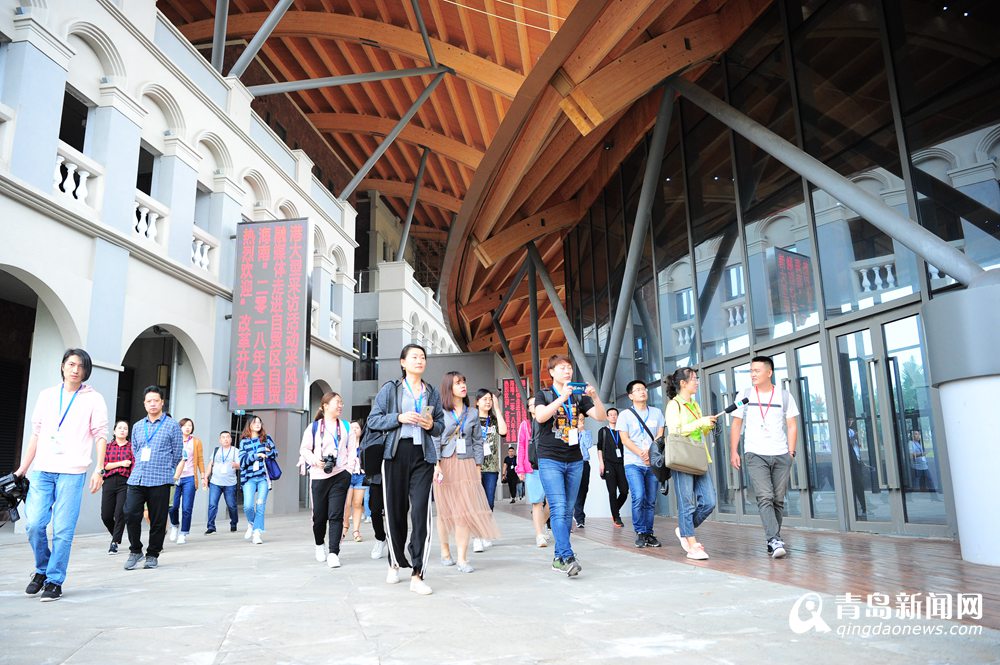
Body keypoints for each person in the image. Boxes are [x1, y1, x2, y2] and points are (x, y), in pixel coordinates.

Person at [16, 349, 108, 601]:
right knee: (34, 524)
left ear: (86, 370)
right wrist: (22, 469)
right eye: (71, 364)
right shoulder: (46, 395)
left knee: (62, 530)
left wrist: (99, 469)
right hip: (42, 470)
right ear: (63, 366)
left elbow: (101, 435)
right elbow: (36, 434)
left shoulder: (94, 399)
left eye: (81, 366)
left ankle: (54, 580)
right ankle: (42, 569)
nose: (75, 369)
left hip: (72, 472)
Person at [366, 344, 445, 595]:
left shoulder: (431, 391)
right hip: (395, 455)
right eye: (414, 357)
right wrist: (398, 418)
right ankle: (394, 561)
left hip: (423, 456)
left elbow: (440, 425)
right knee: (395, 513)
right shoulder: (391, 389)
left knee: (421, 513)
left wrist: (431, 424)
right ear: (403, 362)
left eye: (422, 357)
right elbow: (373, 420)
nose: (419, 360)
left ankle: (418, 573)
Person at [533, 354, 607, 576]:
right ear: (552, 372)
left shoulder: (578, 397)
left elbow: (601, 416)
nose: (567, 371)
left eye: (569, 368)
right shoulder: (544, 394)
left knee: (567, 510)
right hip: (550, 458)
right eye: (562, 368)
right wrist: (561, 398)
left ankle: (559, 558)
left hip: (574, 459)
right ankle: (568, 555)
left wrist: (595, 397)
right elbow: (540, 417)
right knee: (558, 506)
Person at [729, 355, 799, 559]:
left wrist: (791, 452)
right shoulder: (745, 395)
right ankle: (774, 539)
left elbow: (792, 425)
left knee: (778, 499)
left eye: (757, 371)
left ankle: (773, 540)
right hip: (755, 453)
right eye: (751, 371)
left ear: (769, 373)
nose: (753, 374)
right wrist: (734, 451)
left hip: (781, 453)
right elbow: (736, 424)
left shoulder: (784, 396)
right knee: (765, 496)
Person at [435, 371, 501, 573]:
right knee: (445, 512)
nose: (463, 385)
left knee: (464, 512)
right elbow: (434, 438)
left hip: (467, 464)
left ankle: (463, 558)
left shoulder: (472, 413)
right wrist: (436, 464)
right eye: (458, 383)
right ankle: (445, 551)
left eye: (464, 381)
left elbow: (478, 441)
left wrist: (478, 467)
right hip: (444, 464)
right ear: (449, 388)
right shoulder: (440, 411)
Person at [123, 385, 183, 571]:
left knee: (157, 519)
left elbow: (177, 452)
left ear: (162, 402)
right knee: (130, 513)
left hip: (160, 478)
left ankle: (152, 554)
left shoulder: (172, 425)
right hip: (138, 477)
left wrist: (165, 468)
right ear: (144, 403)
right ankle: (135, 550)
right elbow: (135, 450)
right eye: (149, 401)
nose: (152, 404)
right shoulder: (137, 426)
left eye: (156, 400)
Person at [300, 392, 359, 568]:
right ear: (325, 406)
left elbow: (352, 451)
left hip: (340, 475)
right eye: (337, 402)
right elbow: (304, 449)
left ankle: (334, 552)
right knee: (319, 517)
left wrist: (348, 471)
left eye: (341, 402)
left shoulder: (346, 427)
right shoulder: (314, 427)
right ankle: (319, 544)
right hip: (319, 475)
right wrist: (315, 461)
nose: (340, 406)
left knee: (336, 515)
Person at [664, 368, 717, 560]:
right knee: (686, 502)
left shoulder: (695, 404)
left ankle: (684, 530)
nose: (697, 382)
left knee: (709, 502)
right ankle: (692, 544)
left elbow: (699, 433)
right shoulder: (674, 405)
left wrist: (706, 426)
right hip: (682, 459)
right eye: (694, 379)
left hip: (698, 457)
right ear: (683, 383)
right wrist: (700, 422)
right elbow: (675, 431)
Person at [615, 380, 665, 548]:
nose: (642, 391)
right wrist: (641, 453)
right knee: (639, 496)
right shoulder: (625, 415)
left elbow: (660, 435)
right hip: (633, 463)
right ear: (630, 396)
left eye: (643, 389)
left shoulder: (657, 412)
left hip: (652, 463)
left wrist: (651, 453)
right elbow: (624, 439)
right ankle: (640, 532)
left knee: (650, 500)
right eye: (637, 390)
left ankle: (649, 533)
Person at [516, 397, 549, 547]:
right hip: (532, 468)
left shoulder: (549, 422)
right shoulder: (526, 425)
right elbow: (521, 447)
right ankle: (539, 535)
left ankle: (540, 524)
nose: (535, 406)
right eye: (531, 405)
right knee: (537, 502)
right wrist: (520, 468)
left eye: (537, 403)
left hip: (550, 466)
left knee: (553, 502)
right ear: (528, 408)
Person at [239, 416, 277, 545]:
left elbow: (275, 453)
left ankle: (257, 533)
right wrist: (257, 455)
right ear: (249, 425)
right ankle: (251, 523)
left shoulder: (266, 439)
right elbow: (242, 461)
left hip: (263, 478)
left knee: (260, 504)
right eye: (254, 422)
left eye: (259, 422)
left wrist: (268, 452)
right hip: (249, 478)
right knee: (248, 506)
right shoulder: (244, 442)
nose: (257, 424)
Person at [168, 418, 205, 545]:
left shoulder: (196, 441)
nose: (188, 428)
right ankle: (174, 525)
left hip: (190, 477)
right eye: (185, 425)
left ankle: (183, 533)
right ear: (180, 427)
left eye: (190, 425)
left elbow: (200, 459)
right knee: (172, 506)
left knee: (187, 508)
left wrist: (203, 476)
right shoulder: (174, 440)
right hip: (175, 477)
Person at [101, 420, 134, 554]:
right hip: (109, 481)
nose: (122, 430)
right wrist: (121, 463)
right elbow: (104, 465)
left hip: (124, 482)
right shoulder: (108, 447)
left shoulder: (132, 447)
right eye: (119, 428)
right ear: (114, 431)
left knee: (119, 513)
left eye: (125, 428)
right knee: (106, 515)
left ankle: (114, 542)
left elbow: (133, 465)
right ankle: (117, 534)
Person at [596, 408, 628, 528]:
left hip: (622, 464)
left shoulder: (622, 431)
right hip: (608, 464)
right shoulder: (603, 431)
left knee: (624, 491)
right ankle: (616, 517)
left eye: (615, 414)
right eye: (611, 415)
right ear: (607, 417)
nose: (613, 416)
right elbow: (599, 448)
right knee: (612, 491)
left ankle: (615, 510)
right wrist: (601, 463)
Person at [204, 430, 239, 534]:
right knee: (212, 505)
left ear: (231, 439)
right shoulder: (216, 450)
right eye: (223, 437)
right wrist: (205, 477)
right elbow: (210, 464)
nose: (225, 439)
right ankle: (211, 527)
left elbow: (240, 465)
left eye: (227, 437)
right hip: (215, 482)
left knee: (231, 505)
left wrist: (236, 465)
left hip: (230, 483)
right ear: (220, 440)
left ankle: (234, 523)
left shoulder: (235, 451)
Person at [344, 421, 367, 542]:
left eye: (357, 427)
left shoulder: (364, 444)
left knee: (357, 503)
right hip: (347, 475)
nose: (354, 429)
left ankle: (356, 531)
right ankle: (345, 526)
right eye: (352, 427)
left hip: (360, 476)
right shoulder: (345, 444)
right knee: (346, 504)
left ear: (361, 430)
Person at [572, 413, 594, 528]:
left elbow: (589, 444)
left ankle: (579, 516)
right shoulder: (570, 432)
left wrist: (582, 431)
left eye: (582, 419)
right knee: (572, 490)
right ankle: (577, 515)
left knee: (583, 490)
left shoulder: (587, 432)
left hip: (584, 463)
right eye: (578, 419)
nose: (581, 422)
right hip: (573, 463)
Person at [846, 418, 868, 519]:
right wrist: (854, 437)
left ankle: (863, 507)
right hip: (851, 464)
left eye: (851, 420)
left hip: (857, 460)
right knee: (857, 485)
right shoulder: (846, 432)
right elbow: (847, 444)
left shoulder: (852, 431)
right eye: (849, 420)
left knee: (859, 485)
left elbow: (856, 447)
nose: (851, 422)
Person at [909, 430, 939, 498]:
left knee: (929, 480)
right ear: (912, 436)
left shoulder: (918, 443)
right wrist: (922, 454)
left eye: (918, 434)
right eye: (916, 434)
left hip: (924, 466)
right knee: (915, 482)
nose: (918, 436)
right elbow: (911, 455)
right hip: (917, 467)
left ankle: (934, 497)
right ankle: (910, 497)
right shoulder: (911, 443)